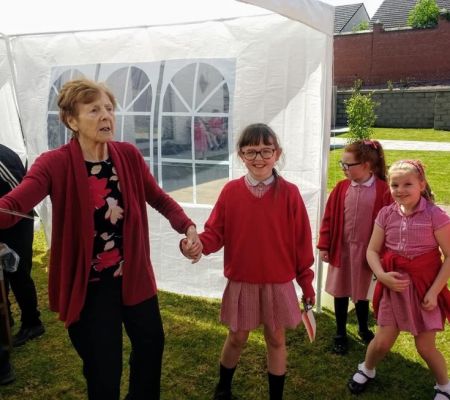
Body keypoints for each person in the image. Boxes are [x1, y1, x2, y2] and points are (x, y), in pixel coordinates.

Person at [0, 78, 202, 400]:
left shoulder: (128, 155)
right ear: (72, 120)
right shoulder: (54, 164)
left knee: (151, 347)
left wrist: (187, 228)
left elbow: (159, 198)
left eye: (109, 108)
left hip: (133, 276)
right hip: (90, 286)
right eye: (94, 110)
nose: (106, 116)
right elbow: (13, 205)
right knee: (104, 371)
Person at [182, 123, 315, 400]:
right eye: (251, 151)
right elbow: (215, 233)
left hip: (278, 282)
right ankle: (223, 388)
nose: (259, 158)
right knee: (237, 337)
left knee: (276, 339)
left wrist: (306, 283)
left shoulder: (290, 193)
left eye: (266, 151)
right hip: (242, 280)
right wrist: (197, 246)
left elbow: (302, 242)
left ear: (277, 154)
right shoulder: (231, 192)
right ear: (241, 154)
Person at [347, 160, 450, 399]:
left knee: (425, 347)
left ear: (421, 185)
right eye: (394, 185)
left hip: (424, 288)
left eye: (407, 184)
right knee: (382, 342)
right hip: (393, 288)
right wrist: (382, 276)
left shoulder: (435, 216)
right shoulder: (386, 214)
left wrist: (434, 291)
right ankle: (367, 368)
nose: (400, 190)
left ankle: (444, 386)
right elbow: (372, 251)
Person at [317, 140, 392, 355]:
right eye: (342, 164)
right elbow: (329, 218)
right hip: (342, 250)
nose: (343, 168)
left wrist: (385, 253)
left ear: (366, 165)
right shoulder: (341, 188)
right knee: (340, 291)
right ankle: (340, 332)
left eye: (347, 164)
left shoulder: (383, 190)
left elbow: (390, 223)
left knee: (362, 292)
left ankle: (363, 327)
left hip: (367, 253)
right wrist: (324, 245)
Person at [0, 144, 44, 347]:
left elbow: (20, 193)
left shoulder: (2, 157)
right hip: (5, 220)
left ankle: (32, 323)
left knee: (18, 273)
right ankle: (5, 320)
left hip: (16, 221)